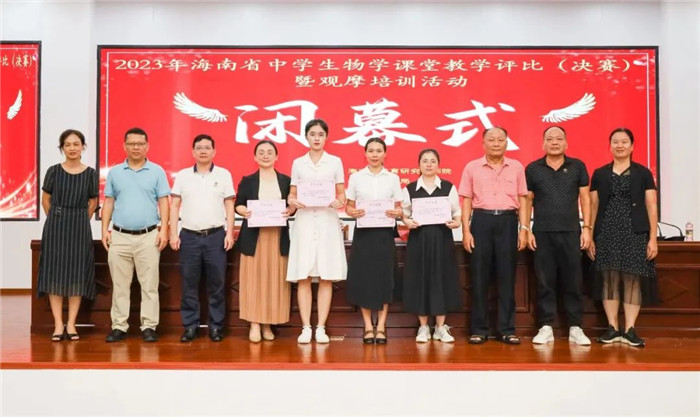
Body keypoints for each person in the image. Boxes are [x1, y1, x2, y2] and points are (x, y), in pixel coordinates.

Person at [587, 127, 659, 347]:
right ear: (610, 146)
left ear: (632, 146)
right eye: (615, 142)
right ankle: (612, 328)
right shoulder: (600, 173)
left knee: (632, 279)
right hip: (606, 231)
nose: (619, 145)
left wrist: (653, 238)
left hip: (635, 232)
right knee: (608, 279)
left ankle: (629, 329)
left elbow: (651, 205)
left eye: (624, 141)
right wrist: (590, 236)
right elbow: (593, 206)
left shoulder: (643, 173)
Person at [459, 126, 529, 345]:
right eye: (491, 139)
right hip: (481, 221)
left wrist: (524, 229)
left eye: (500, 139)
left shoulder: (516, 167)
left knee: (507, 277)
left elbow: (523, 198)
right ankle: (479, 329)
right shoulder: (472, 167)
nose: (496, 143)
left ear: (506, 143)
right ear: (483, 143)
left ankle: (506, 329)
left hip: (508, 221)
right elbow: (466, 200)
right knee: (479, 278)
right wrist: (466, 231)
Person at [101, 127, 170, 343]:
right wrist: (104, 230)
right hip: (119, 235)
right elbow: (109, 202)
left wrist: (164, 229)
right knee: (120, 285)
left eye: (140, 143)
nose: (136, 147)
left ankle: (149, 326)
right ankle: (119, 326)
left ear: (147, 146)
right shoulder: (115, 172)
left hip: (148, 235)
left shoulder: (157, 171)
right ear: (125, 146)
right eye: (131, 144)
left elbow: (164, 202)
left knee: (149, 285)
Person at [525, 126, 592, 345]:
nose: (554, 142)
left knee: (573, 281)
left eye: (559, 139)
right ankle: (545, 327)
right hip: (542, 233)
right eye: (550, 139)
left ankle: (575, 327)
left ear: (566, 143)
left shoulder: (577, 166)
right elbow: (526, 200)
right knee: (545, 282)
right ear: (543, 143)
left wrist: (587, 228)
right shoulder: (533, 169)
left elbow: (585, 199)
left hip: (571, 232)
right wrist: (526, 229)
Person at [169, 134, 235, 343]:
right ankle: (190, 326)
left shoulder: (224, 174)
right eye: (199, 147)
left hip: (216, 237)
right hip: (189, 237)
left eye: (207, 147)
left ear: (214, 151)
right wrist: (173, 233)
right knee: (189, 284)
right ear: (193, 152)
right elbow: (175, 205)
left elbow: (229, 205)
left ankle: (216, 327)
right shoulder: (183, 176)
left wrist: (230, 232)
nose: (203, 151)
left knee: (217, 284)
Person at [287, 119, 347, 344]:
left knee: (326, 275)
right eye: (312, 134)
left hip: (327, 222)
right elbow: (292, 194)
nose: (316, 138)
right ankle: (306, 327)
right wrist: (292, 200)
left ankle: (320, 327)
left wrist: (339, 201)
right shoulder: (298, 163)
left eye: (321, 134)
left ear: (326, 137)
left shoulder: (335, 162)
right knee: (303, 275)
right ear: (306, 137)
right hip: (304, 222)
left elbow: (341, 194)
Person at [37, 129, 99, 341]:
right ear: (62, 148)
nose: (72, 148)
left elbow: (93, 202)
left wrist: (79, 218)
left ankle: (71, 323)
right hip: (55, 227)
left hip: (79, 227)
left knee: (77, 273)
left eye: (76, 144)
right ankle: (58, 324)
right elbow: (46, 199)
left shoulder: (90, 173)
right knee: (54, 273)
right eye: (67, 144)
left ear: (83, 146)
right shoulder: (53, 171)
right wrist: (57, 217)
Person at [345, 138, 403, 344]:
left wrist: (397, 212)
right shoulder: (356, 178)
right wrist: (352, 212)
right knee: (364, 278)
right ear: (365, 153)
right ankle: (368, 327)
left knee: (385, 278)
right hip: (364, 235)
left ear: (385, 154)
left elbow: (400, 208)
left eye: (379, 150)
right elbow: (348, 206)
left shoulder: (393, 178)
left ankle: (381, 326)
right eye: (371, 150)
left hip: (384, 234)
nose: (375, 154)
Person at [401, 149, 462, 343]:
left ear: (438, 164)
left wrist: (457, 222)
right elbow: (403, 214)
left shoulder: (448, 187)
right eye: (425, 161)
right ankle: (423, 327)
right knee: (421, 279)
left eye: (433, 161)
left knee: (441, 278)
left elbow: (457, 212)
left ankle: (441, 327)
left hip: (442, 239)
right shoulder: (410, 189)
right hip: (419, 239)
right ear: (419, 165)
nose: (429, 164)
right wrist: (407, 221)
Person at [236, 140, 294, 343]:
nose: (266, 155)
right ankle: (254, 323)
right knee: (253, 280)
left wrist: (291, 209)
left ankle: (268, 324)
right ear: (255, 157)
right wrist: (244, 211)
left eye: (270, 152)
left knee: (274, 281)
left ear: (277, 156)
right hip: (255, 237)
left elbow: (291, 206)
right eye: (261, 152)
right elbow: (238, 205)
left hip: (277, 237)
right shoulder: (248, 180)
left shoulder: (286, 181)